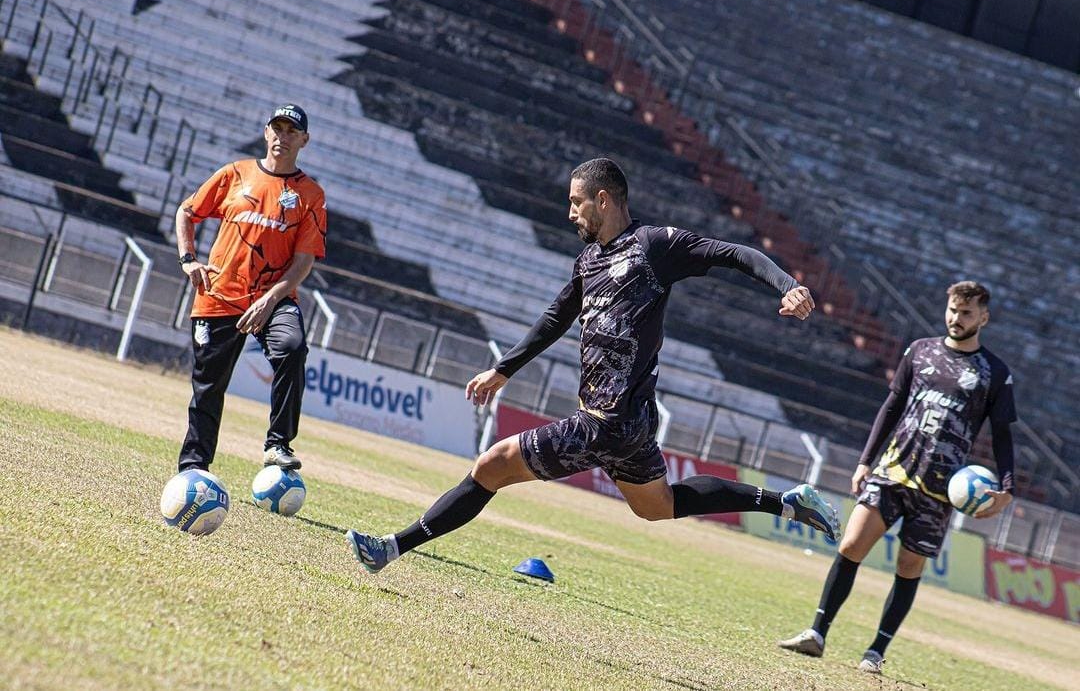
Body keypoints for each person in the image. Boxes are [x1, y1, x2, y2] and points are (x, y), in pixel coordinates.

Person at [345, 157, 839, 572]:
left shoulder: (655, 246)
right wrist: (505, 369)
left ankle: (390, 548)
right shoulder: (589, 261)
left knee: (490, 466)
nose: (570, 213)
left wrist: (787, 286)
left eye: (575, 202)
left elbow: (734, 253)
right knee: (658, 506)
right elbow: (557, 316)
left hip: (606, 422)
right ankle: (786, 502)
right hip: (631, 427)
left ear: (603, 199)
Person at [778, 281, 1016, 674]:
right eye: (953, 311)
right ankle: (817, 632)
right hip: (892, 471)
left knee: (908, 567)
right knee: (851, 544)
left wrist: (1007, 488)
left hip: (941, 490)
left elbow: (1004, 433)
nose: (957, 319)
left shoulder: (995, 373)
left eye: (967, 313)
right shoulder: (920, 350)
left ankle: (874, 652)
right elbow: (891, 406)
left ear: (983, 317)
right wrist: (864, 460)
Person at [174, 103, 327, 474]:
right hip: (220, 294)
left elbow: (303, 261)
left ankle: (277, 444)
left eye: (292, 131)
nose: (283, 136)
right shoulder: (235, 174)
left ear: (304, 140)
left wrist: (269, 300)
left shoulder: (311, 195)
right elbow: (187, 212)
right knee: (208, 388)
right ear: (265, 132)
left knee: (293, 348)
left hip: (274, 298)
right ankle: (194, 470)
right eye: (277, 128)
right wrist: (188, 258)